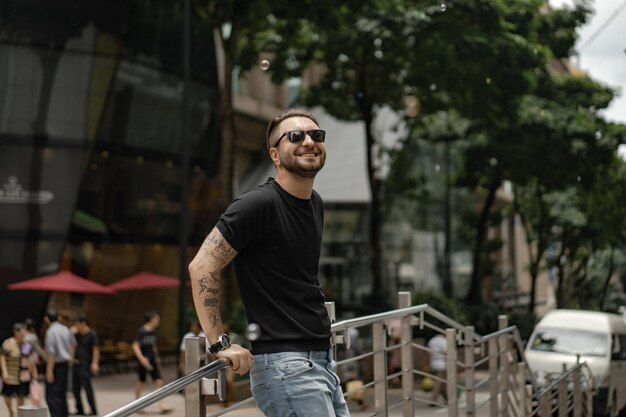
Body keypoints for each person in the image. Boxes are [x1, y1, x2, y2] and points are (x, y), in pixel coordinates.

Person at [189, 109, 350, 417]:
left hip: (321, 361)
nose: (308, 141)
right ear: (275, 154)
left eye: (316, 135)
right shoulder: (257, 204)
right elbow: (202, 265)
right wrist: (220, 344)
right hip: (286, 368)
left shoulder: (314, 202)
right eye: (295, 136)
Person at [131, 311, 172, 414]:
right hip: (144, 361)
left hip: (152, 360)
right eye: (157, 319)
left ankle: (162, 405)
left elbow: (153, 345)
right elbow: (135, 346)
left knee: (159, 381)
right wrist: (142, 359)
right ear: (151, 319)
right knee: (141, 381)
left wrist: (157, 357)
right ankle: (137, 404)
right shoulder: (142, 331)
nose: (158, 321)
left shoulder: (153, 331)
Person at [1, 323, 38, 417]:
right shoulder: (8, 343)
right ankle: (11, 411)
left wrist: (33, 371)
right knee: (7, 394)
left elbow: (30, 359)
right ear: (16, 332)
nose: (24, 333)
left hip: (23, 374)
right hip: (11, 372)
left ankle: (19, 413)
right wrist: (4, 372)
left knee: (21, 394)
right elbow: (2, 357)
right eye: (22, 331)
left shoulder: (26, 345)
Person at [44, 310, 76, 417]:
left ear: (47, 319)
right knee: (62, 393)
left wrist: (49, 371)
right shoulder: (65, 329)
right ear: (58, 317)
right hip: (65, 364)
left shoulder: (50, 332)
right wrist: (70, 357)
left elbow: (51, 353)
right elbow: (73, 344)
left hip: (56, 366)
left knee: (52, 395)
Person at [71, 316, 99, 416]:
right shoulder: (76, 334)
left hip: (86, 364)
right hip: (76, 363)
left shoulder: (92, 334)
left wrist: (95, 363)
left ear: (83, 323)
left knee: (87, 388)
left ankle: (93, 409)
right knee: (75, 389)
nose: (76, 326)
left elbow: (95, 349)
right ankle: (80, 409)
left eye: (77, 324)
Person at [425, 333, 447, 405]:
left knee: (441, 383)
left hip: (433, 365)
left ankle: (448, 399)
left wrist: (427, 365)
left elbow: (428, 353)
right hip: (442, 365)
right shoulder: (444, 341)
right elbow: (447, 353)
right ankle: (433, 400)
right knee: (439, 383)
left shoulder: (431, 341)